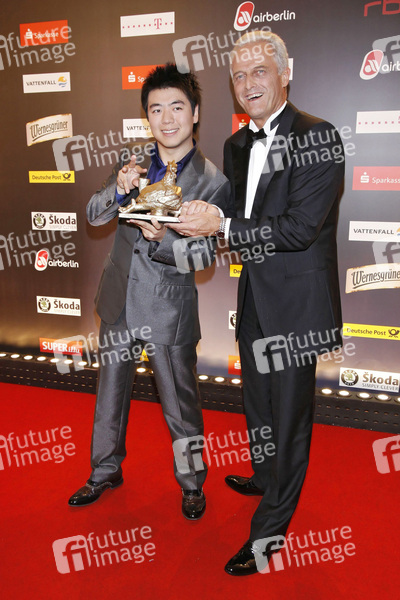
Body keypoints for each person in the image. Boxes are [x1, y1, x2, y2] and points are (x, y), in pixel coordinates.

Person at [168, 32, 345, 573]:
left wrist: (220, 226)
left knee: (289, 418)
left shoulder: (318, 136)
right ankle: (266, 476)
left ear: (285, 74)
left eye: (260, 71)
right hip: (254, 300)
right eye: (239, 75)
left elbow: (297, 229)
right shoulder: (236, 145)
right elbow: (230, 219)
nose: (248, 83)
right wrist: (173, 221)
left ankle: (269, 532)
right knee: (258, 405)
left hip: (297, 305)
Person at [68, 64, 228, 521]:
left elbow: (203, 257)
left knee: (180, 403)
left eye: (177, 107)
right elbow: (94, 215)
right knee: (110, 394)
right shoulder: (131, 161)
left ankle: (192, 483)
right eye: (156, 109)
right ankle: (104, 471)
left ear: (195, 113)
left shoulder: (212, 181)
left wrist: (164, 241)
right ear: (147, 117)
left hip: (168, 309)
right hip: (119, 298)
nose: (167, 118)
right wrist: (118, 191)